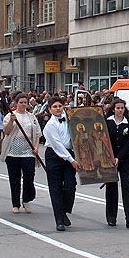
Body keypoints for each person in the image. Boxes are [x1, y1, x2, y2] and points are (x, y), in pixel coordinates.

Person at [43, 96, 79, 231]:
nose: (58, 109)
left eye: (60, 106)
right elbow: (57, 146)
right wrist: (72, 160)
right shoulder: (50, 125)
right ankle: (59, 220)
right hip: (55, 156)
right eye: (55, 107)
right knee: (56, 188)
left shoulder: (69, 118)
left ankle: (64, 211)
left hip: (69, 153)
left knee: (70, 186)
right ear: (50, 109)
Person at [105, 98, 129, 228]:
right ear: (113, 109)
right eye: (117, 108)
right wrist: (111, 157)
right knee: (111, 188)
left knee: (127, 187)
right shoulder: (107, 122)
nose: (120, 110)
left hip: (125, 159)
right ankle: (111, 217)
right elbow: (103, 140)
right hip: (109, 158)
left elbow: (128, 144)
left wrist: (119, 157)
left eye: (122, 108)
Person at [2, 93, 42, 214]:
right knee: (15, 179)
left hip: (28, 152)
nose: (23, 104)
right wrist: (12, 121)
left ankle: (26, 200)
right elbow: (7, 131)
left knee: (29, 176)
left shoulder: (32, 117)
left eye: (25, 102)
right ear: (16, 103)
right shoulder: (10, 115)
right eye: (21, 102)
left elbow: (37, 134)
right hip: (13, 152)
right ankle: (15, 203)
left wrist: (35, 147)